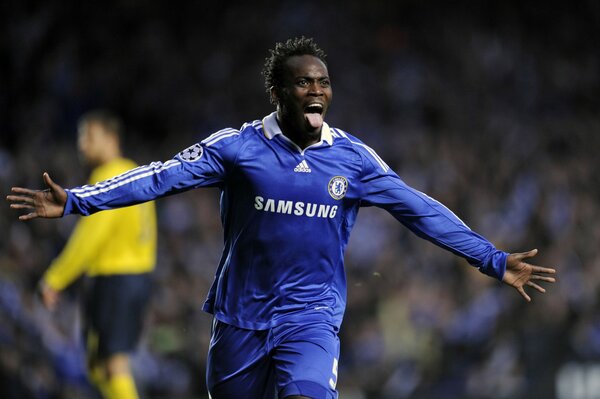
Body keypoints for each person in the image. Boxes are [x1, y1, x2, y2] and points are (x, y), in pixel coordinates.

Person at [8, 37, 555, 399]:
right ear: (278, 94)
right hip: (240, 320)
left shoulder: (353, 159)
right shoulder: (238, 148)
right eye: (303, 83)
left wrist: (493, 259)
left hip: (311, 317)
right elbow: (159, 176)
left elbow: (420, 209)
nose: (316, 90)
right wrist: (76, 200)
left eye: (323, 82)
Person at [34, 110, 157, 399]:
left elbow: (90, 237)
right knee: (98, 366)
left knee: (112, 365)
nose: (82, 144)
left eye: (88, 136)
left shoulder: (109, 176)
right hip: (135, 276)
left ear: (111, 138)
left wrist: (55, 278)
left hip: (115, 277)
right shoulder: (135, 171)